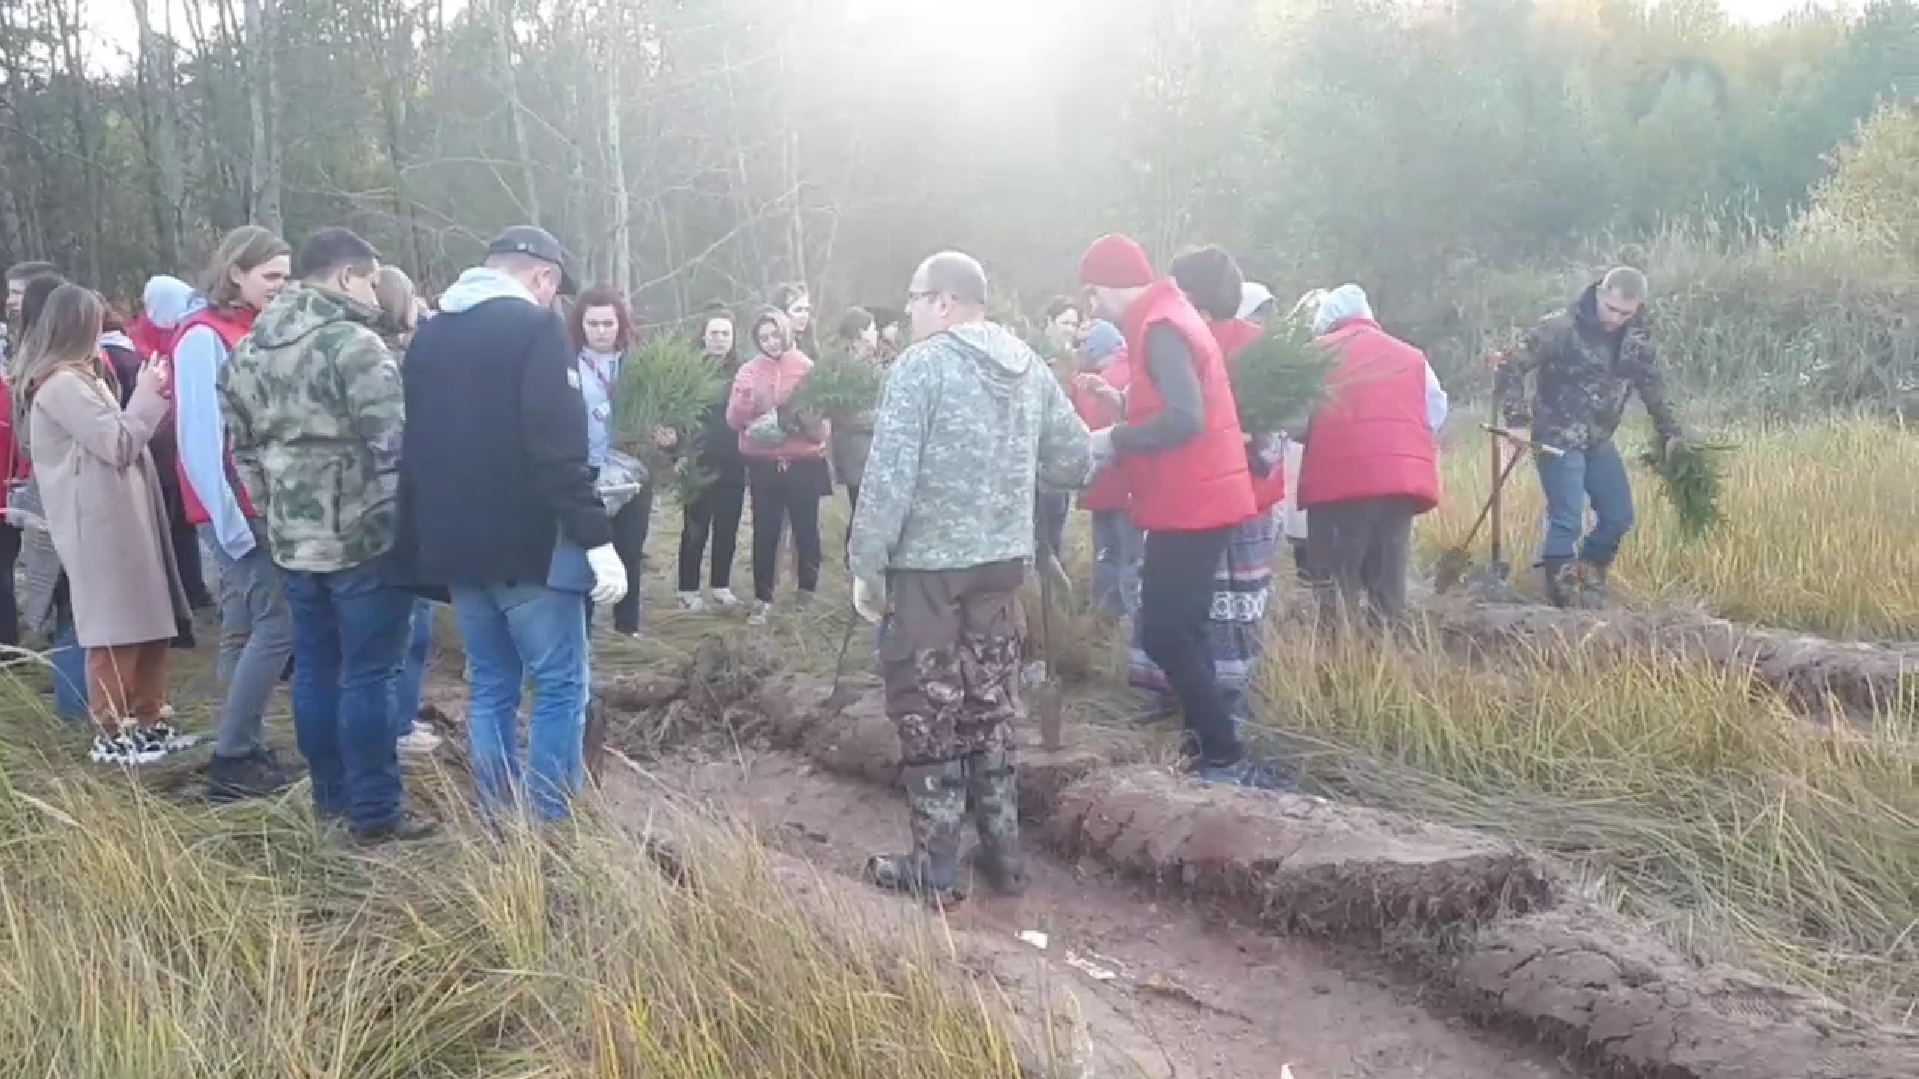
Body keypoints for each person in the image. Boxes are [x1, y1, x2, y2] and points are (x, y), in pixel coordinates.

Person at [847, 250, 1091, 904]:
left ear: (945, 301)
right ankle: (1004, 856)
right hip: (1001, 566)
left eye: (914, 297)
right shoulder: (1029, 366)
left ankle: (937, 865)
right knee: (989, 701)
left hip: (928, 570)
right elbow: (1074, 457)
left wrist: (865, 566)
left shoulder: (920, 368)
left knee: (927, 708)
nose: (908, 310)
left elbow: (887, 481)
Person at [397, 225, 625, 825]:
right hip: (530, 549)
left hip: (456, 547)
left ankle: (500, 820)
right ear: (542, 278)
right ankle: (552, 825)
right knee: (559, 688)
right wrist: (598, 537)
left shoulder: (431, 334)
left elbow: (414, 444)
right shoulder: (536, 328)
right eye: (556, 290)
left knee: (493, 687)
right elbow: (558, 448)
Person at [1078, 233, 1269, 788]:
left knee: (1164, 630)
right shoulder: (1168, 315)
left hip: (1193, 500)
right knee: (1184, 625)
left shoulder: (1160, 326)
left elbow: (1187, 418)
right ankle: (1206, 739)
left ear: (1106, 287)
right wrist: (1126, 410)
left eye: (1093, 295)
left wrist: (1115, 437)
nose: (1094, 308)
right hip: (1199, 495)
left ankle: (1223, 751)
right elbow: (1173, 403)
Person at [15, 284, 189, 765]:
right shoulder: (61, 385)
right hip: (101, 527)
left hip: (122, 521)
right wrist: (149, 397)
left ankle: (148, 722)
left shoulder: (81, 377)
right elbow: (116, 444)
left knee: (150, 624)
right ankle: (112, 732)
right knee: (115, 629)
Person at [175, 224, 298, 800]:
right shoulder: (203, 337)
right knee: (278, 627)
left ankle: (245, 743)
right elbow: (201, 438)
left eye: (285, 275)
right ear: (236, 274)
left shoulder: (253, 330)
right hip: (235, 507)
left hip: (263, 504)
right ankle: (230, 759)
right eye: (271, 275)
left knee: (258, 626)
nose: (281, 285)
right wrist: (230, 523)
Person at [1494, 266, 1684, 609]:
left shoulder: (1637, 340)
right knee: (1567, 516)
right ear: (1600, 294)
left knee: (1618, 515)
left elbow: (1653, 388)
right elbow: (1511, 365)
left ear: (1638, 307)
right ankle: (1560, 593)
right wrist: (1517, 421)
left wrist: (1671, 433)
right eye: (1611, 309)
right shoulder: (1560, 327)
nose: (1615, 318)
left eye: (1625, 313)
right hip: (1557, 435)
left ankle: (1588, 574)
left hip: (1598, 439)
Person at [1296, 284, 1447, 628]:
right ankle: (1384, 654)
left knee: (1337, 582)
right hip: (1401, 483)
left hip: (1339, 483)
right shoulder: (1411, 356)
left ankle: (1339, 660)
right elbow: (1436, 409)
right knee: (1388, 580)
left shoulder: (1315, 355)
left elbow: (1296, 420)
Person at [371, 264, 443, 756]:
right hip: (400, 504)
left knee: (415, 627)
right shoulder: (392, 358)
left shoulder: (412, 351)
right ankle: (393, 727)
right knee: (406, 627)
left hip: (399, 502)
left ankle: (401, 718)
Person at [726, 307, 829, 626]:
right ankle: (763, 598)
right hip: (764, 465)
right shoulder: (749, 371)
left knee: (806, 530)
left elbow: (822, 427)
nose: (770, 342)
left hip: (803, 463)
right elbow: (734, 420)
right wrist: (745, 401)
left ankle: (807, 594)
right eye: (763, 338)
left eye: (774, 335)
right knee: (765, 531)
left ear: (787, 333)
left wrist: (804, 422)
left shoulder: (808, 369)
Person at [570, 284, 651, 637]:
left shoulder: (638, 364)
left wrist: (665, 436)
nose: (602, 331)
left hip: (631, 471)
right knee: (587, 549)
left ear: (621, 324)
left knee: (630, 549)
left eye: (608, 323)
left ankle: (627, 627)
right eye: (594, 324)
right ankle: (582, 626)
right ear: (581, 325)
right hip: (585, 470)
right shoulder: (567, 362)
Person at [128, 274, 213, 611]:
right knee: (170, 528)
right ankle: (179, 600)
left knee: (180, 529)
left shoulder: (179, 335)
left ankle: (192, 593)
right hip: (158, 450)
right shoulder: (140, 348)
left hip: (171, 447)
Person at [674, 304, 746, 611]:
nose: (719, 339)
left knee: (727, 526)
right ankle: (688, 588)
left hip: (734, 459)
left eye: (725, 333)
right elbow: (675, 415)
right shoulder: (688, 370)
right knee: (695, 526)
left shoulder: (744, 371)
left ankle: (721, 584)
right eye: (714, 333)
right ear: (703, 336)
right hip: (697, 459)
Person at [1066, 318, 1135, 617]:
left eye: (1081, 343)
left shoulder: (1094, 381)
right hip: (1128, 485)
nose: (1077, 349)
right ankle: (1125, 623)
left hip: (1105, 483)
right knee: (1128, 556)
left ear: (1096, 346)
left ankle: (1107, 618)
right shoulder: (1132, 371)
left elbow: (1082, 426)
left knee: (1109, 553)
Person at [828, 305, 885, 550]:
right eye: (873, 328)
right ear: (861, 332)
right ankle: (854, 560)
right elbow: (842, 411)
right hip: (855, 450)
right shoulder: (846, 366)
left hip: (868, 449)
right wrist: (882, 418)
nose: (877, 333)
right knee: (862, 509)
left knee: (867, 511)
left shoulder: (872, 362)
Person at [773, 281, 817, 356]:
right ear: (783, 312)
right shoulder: (772, 345)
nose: (804, 315)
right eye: (798, 310)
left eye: (807, 310)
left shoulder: (809, 343)